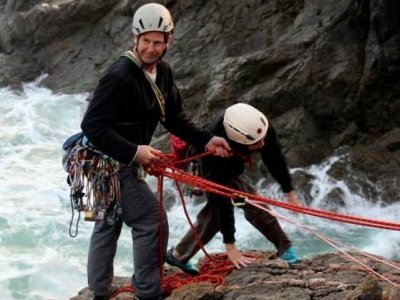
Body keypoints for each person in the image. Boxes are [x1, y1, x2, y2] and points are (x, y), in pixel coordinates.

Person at [80, 3, 231, 300]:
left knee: (110, 220)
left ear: (168, 41)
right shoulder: (120, 76)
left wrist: (207, 140)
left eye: (157, 42)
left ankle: (99, 290)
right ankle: (147, 292)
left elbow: (175, 118)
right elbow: (92, 125)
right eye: (145, 41)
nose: (151, 48)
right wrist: (136, 152)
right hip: (111, 162)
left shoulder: (162, 72)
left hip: (118, 159)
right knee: (152, 220)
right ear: (135, 38)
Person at [166, 103, 302, 275]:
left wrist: (289, 191)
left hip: (232, 161)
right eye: (256, 142)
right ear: (239, 141)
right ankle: (285, 249)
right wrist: (231, 247)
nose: (263, 143)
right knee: (247, 202)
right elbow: (223, 202)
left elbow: (274, 158)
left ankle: (178, 255)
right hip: (207, 162)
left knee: (229, 208)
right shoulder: (216, 149)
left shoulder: (258, 125)